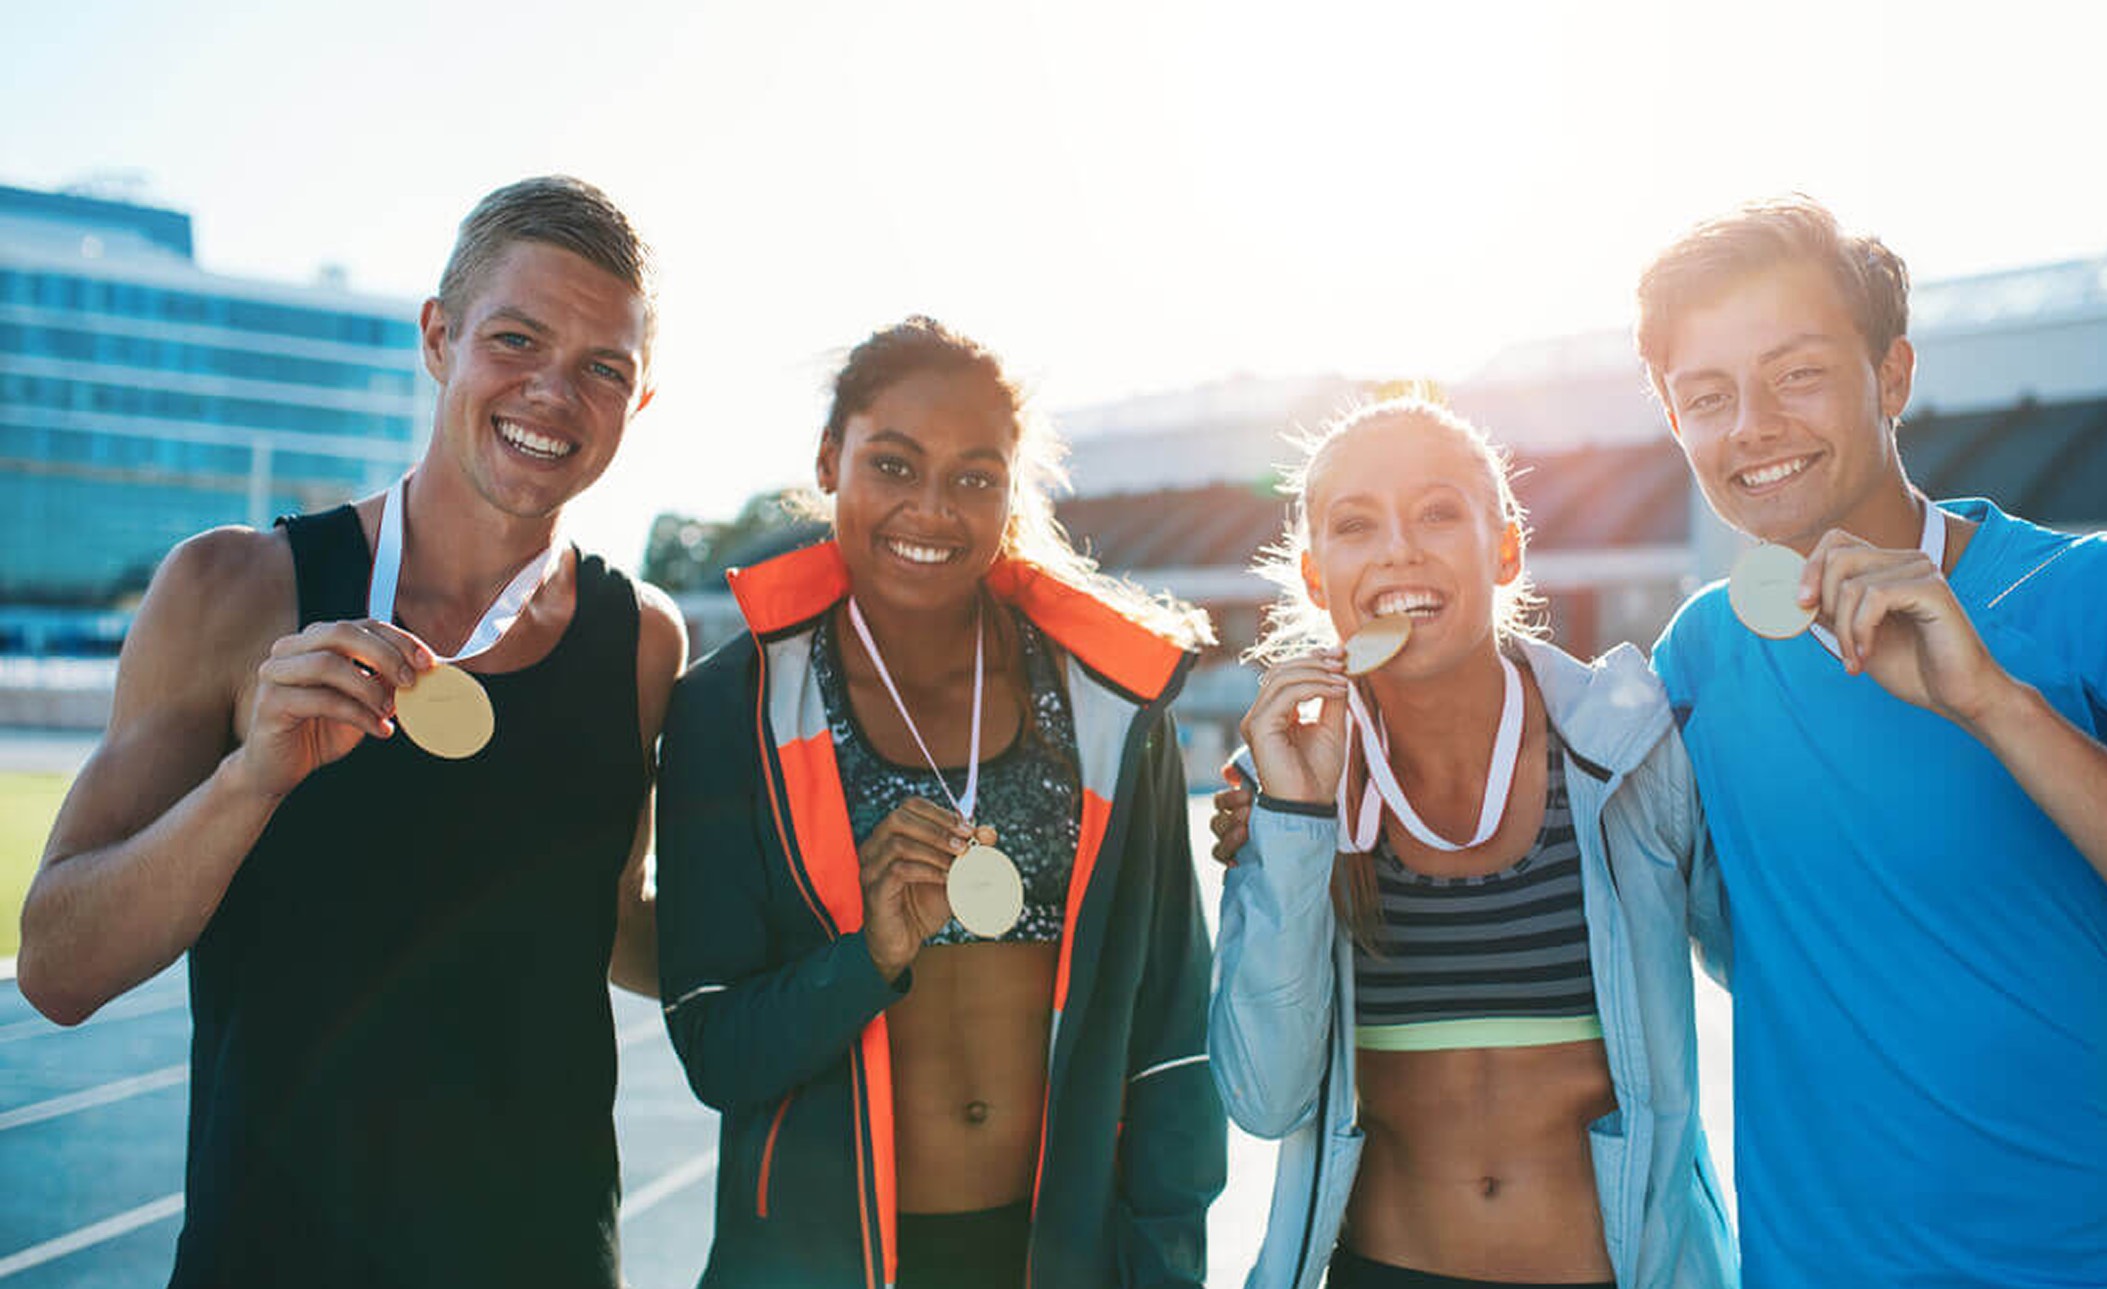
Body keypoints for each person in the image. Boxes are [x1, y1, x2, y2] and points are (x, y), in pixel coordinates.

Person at [1633, 196, 2107, 1286]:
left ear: (1892, 376)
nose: (1752, 427)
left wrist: (1994, 702)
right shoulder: (1697, 660)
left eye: (1797, 373)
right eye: (1707, 396)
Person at [17, 175, 685, 1287]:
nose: (554, 394)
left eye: (603, 367)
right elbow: (55, 966)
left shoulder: (642, 640)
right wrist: (249, 782)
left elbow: (615, 920)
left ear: (640, 399)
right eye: (516, 338)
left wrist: (830, 916)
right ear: (438, 337)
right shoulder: (233, 587)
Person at [653, 316, 1225, 1288]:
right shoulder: (728, 708)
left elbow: (1173, 1031)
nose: (931, 509)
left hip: (1055, 1256)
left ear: (1013, 490)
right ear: (830, 459)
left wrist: (1165, 1259)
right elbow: (718, 1050)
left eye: (974, 476)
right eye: (893, 465)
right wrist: (867, 957)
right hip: (819, 1263)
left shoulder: (1108, 702)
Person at [1211, 396, 1737, 1289]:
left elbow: (1772, 967)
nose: (1398, 551)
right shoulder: (1292, 785)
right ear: (1313, 575)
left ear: (1506, 548)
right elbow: (1265, 1101)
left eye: (1437, 513)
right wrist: (1296, 823)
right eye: (1355, 525)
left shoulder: (1631, 748)